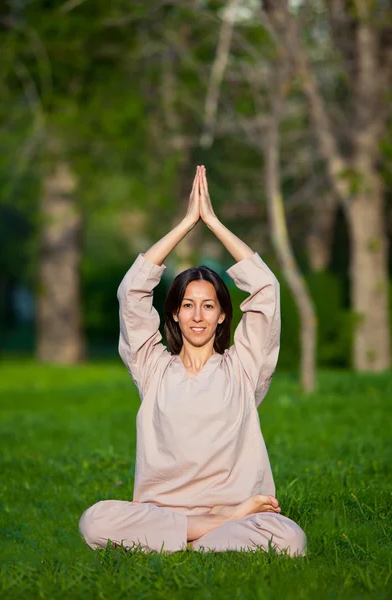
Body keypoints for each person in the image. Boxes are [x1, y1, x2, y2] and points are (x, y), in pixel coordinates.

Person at [79, 166, 306, 555]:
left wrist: (212, 222)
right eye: (187, 305)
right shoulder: (153, 368)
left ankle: (184, 539)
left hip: (234, 509)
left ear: (222, 315)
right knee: (93, 520)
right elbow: (132, 291)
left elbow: (266, 288)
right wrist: (186, 223)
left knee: (290, 539)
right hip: (168, 511)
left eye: (208, 305)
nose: (197, 316)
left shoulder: (242, 368)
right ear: (174, 314)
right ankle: (213, 532)